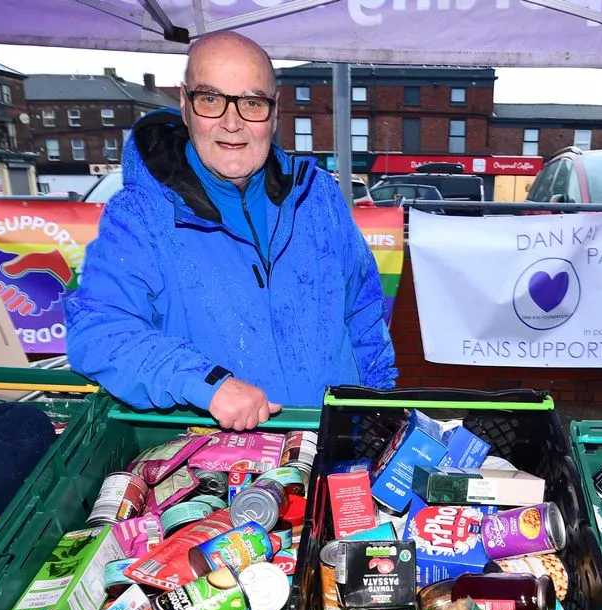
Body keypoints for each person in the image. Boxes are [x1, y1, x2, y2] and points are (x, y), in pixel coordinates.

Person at [66, 32, 396, 430]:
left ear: (274, 114)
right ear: (186, 106)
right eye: (211, 100)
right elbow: (98, 330)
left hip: (334, 446)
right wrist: (206, 383)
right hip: (223, 466)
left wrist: (379, 409)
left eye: (252, 103)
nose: (232, 122)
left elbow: (362, 309)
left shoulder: (317, 194)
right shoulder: (141, 216)